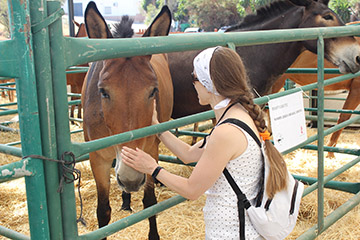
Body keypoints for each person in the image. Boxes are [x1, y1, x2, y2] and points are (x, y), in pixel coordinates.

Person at [121, 46, 288, 239]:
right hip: (239, 229)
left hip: (231, 233)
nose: (193, 84)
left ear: (211, 84)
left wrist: (152, 168)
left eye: (195, 78)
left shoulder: (226, 133)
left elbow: (191, 190)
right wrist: (157, 127)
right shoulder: (238, 115)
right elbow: (188, 155)